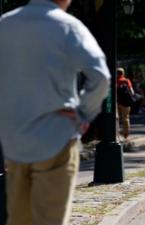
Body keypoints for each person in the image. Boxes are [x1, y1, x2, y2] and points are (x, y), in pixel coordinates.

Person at [0, 0, 110, 225]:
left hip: (14, 141)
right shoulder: (68, 27)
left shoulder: (6, 24)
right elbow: (100, 76)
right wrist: (83, 113)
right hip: (55, 138)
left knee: (19, 220)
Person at [116, 67, 135, 138]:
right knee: (126, 118)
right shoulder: (126, 81)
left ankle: (116, 134)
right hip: (126, 103)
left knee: (116, 119)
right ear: (123, 73)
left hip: (117, 102)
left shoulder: (115, 81)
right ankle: (125, 134)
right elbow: (132, 91)